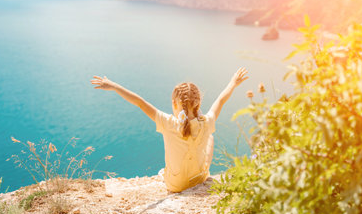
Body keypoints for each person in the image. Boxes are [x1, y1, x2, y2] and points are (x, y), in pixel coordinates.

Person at [90, 67, 248, 192]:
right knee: (210, 138)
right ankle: (203, 168)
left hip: (175, 185)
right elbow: (221, 100)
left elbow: (140, 102)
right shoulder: (207, 122)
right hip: (199, 179)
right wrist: (233, 82)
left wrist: (114, 86)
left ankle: (190, 113)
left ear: (174, 103)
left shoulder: (169, 123)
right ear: (198, 103)